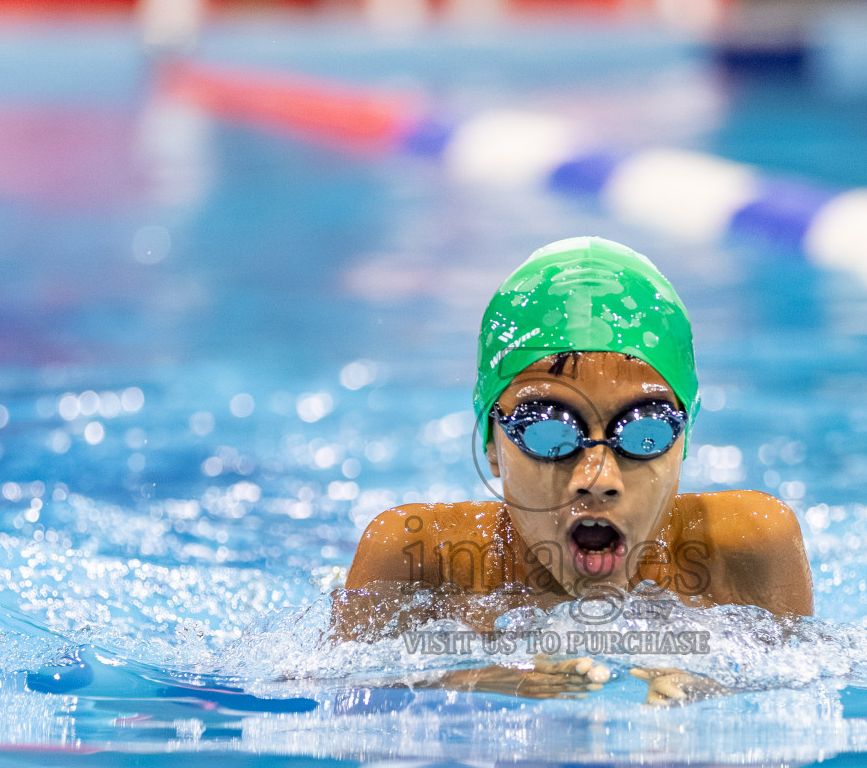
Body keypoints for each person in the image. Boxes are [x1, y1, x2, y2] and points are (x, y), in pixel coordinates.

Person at [331, 237, 813, 703]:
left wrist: (718, 689)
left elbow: (806, 685)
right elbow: (333, 692)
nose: (598, 479)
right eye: (547, 430)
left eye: (644, 431)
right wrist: (479, 679)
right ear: (492, 447)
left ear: (682, 441)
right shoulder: (417, 560)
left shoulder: (750, 546)